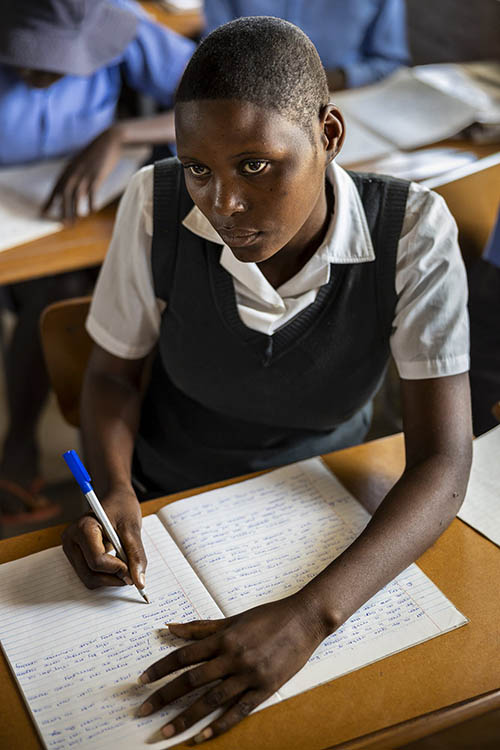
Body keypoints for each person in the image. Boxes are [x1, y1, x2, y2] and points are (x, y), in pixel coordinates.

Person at [63, 17, 472, 743]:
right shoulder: (155, 206)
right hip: (169, 501)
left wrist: (312, 615)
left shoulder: (411, 232)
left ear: (330, 135)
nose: (222, 204)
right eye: (198, 168)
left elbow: (444, 460)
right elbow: (109, 380)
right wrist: (116, 489)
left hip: (327, 509)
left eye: (255, 164)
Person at [0, 0, 195, 522]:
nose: (34, 72)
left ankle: (117, 452)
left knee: (98, 283)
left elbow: (214, 97)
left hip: (84, 221)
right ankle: (23, 438)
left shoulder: (117, 21)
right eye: (21, 54)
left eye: (57, 63)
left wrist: (121, 134)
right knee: (60, 288)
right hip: (11, 230)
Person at [203, 0, 409, 90]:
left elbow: (389, 60)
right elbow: (218, 53)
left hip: (343, 98)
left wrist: (337, 78)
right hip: (251, 95)